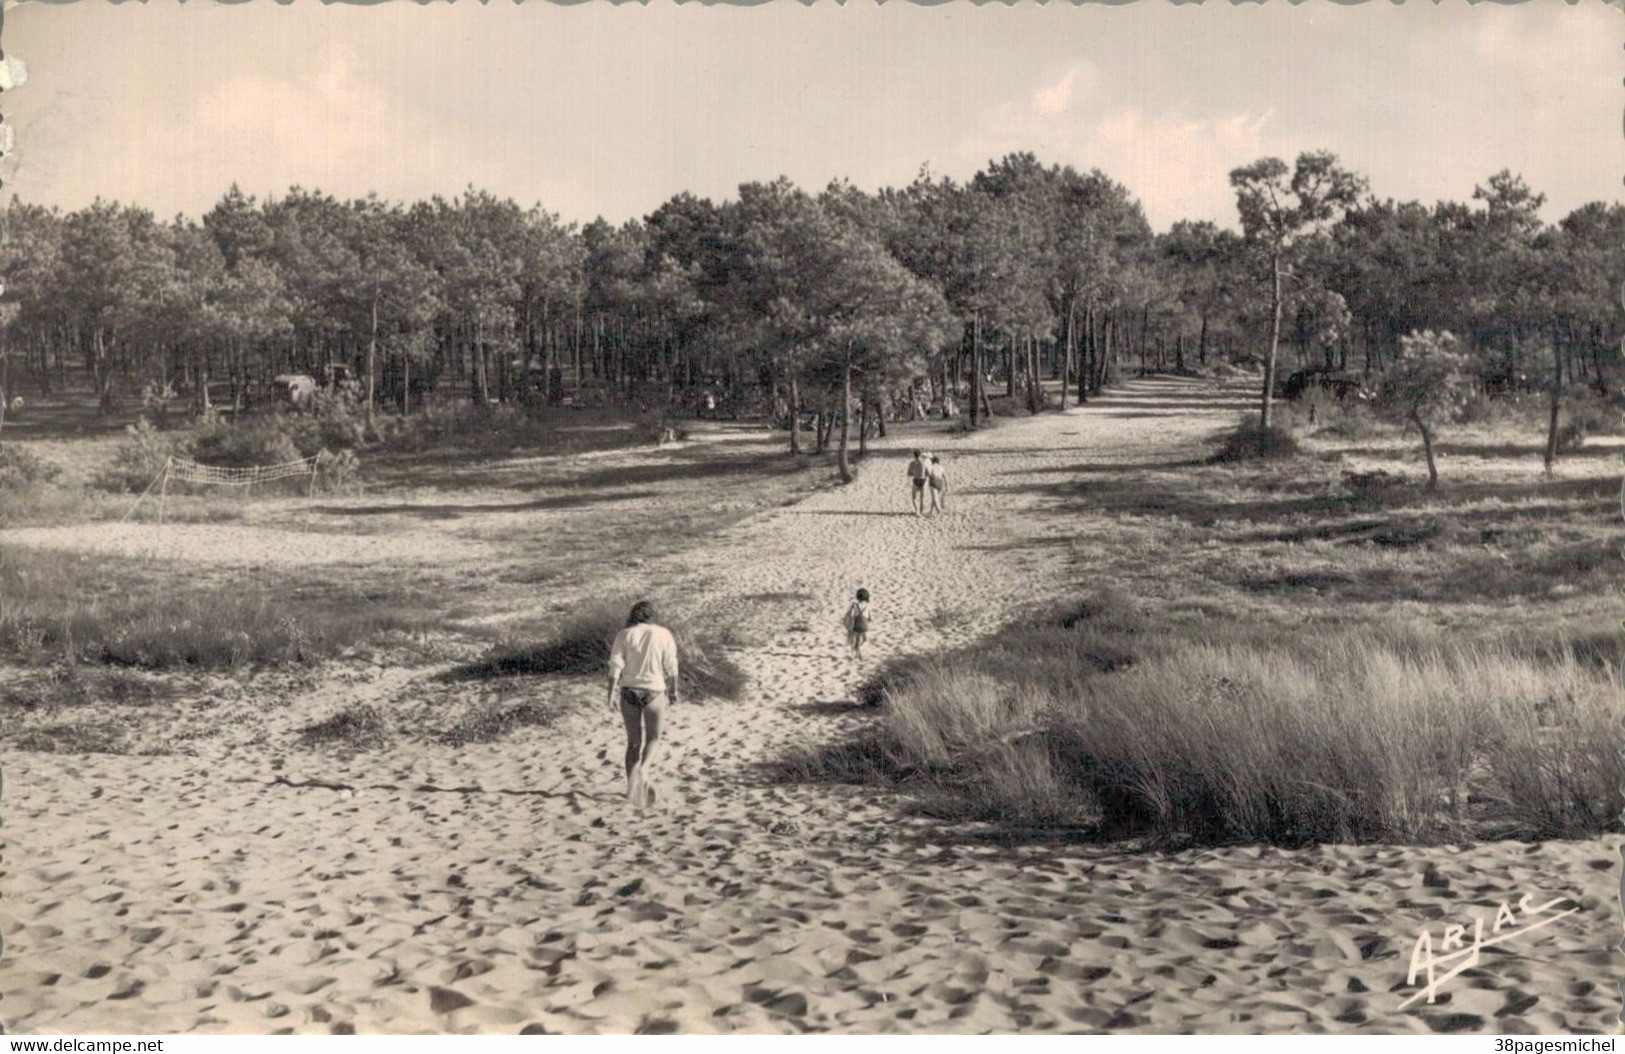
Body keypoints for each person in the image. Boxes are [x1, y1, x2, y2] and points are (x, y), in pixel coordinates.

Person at [606, 600, 679, 810]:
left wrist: (610, 694)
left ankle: (632, 789)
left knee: (633, 743)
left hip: (629, 692)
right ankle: (644, 770)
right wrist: (674, 690)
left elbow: (615, 666)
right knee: (654, 738)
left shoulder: (624, 634)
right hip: (654, 692)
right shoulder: (664, 634)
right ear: (652, 615)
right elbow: (672, 665)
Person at [843, 588, 871, 660]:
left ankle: (856, 655)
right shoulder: (867, 606)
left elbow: (852, 615)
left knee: (856, 641)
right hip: (864, 626)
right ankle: (860, 650)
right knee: (865, 640)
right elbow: (870, 618)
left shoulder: (855, 605)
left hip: (856, 625)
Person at [906, 450, 929, 516]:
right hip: (923, 480)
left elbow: (909, 473)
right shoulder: (924, 463)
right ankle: (921, 511)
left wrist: (914, 473)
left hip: (916, 480)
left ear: (914, 455)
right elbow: (928, 473)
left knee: (914, 498)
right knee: (922, 497)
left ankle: (917, 511)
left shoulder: (912, 463)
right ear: (920, 455)